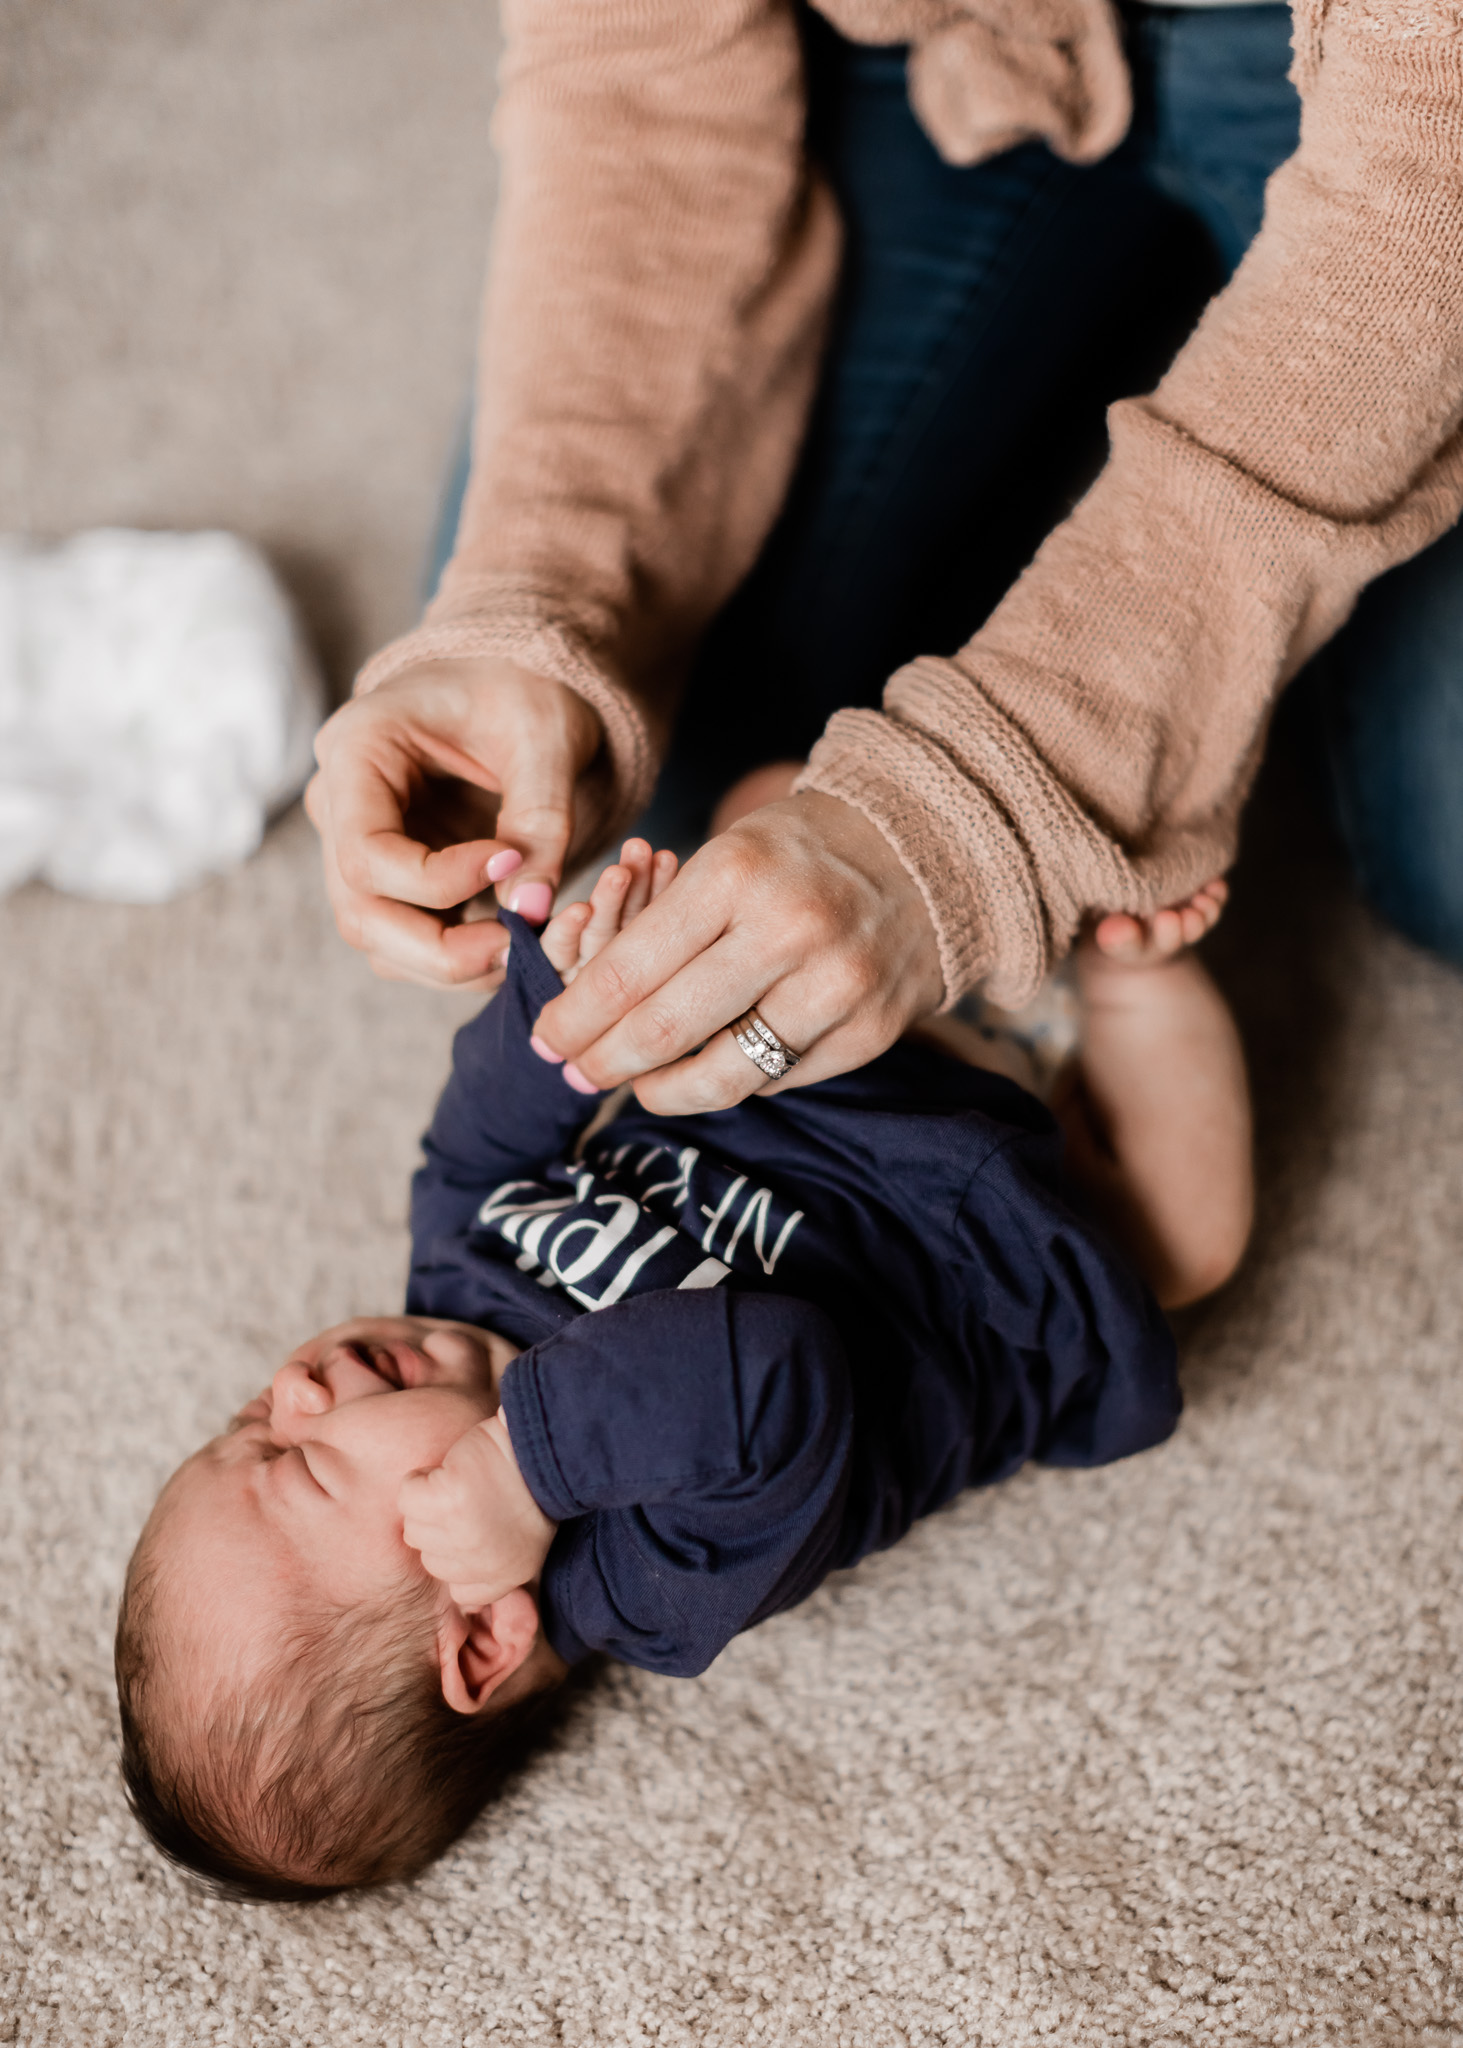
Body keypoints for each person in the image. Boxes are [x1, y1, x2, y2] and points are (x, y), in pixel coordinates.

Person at [304, 0, 1462, 1118]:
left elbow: (1421, 218)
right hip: (944, 43)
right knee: (597, 777)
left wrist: (983, 815)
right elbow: (632, 74)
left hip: (1420, 147)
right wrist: (539, 587)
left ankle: (1144, 364)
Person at [114, 828, 1251, 1899]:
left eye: (250, 1412)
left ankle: (970, 890)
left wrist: (551, 1014)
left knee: (756, 804)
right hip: (997, 1236)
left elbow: (468, 1147)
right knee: (1183, 1233)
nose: (297, 1387)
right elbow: (770, 1366)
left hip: (808, 1036)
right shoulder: (657, 1574)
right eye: (302, 1464)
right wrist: (524, 1467)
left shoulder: (447, 1291)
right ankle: (1130, 982)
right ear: (479, 1628)